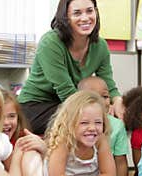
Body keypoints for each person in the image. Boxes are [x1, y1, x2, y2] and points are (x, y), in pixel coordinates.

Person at [18, 0, 124, 135]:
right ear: (65, 18)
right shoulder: (50, 43)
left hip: (69, 102)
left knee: (116, 115)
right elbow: (65, 90)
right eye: (77, 13)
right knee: (92, 120)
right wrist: (96, 111)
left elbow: (107, 82)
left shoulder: (100, 46)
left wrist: (117, 100)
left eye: (90, 11)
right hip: (36, 106)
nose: (85, 18)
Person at [43, 91, 140, 176]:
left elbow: (108, 175)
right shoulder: (64, 141)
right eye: (84, 123)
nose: (92, 128)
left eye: (98, 122)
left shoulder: (101, 141)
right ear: (69, 123)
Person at [78, 76, 129, 176]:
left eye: (105, 96)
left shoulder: (117, 125)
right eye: (94, 97)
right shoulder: (73, 123)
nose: (101, 101)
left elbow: (121, 162)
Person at [2, 89, 47, 155]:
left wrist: (44, 150)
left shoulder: (23, 139)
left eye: (12, 116)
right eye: (1, 117)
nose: (6, 122)